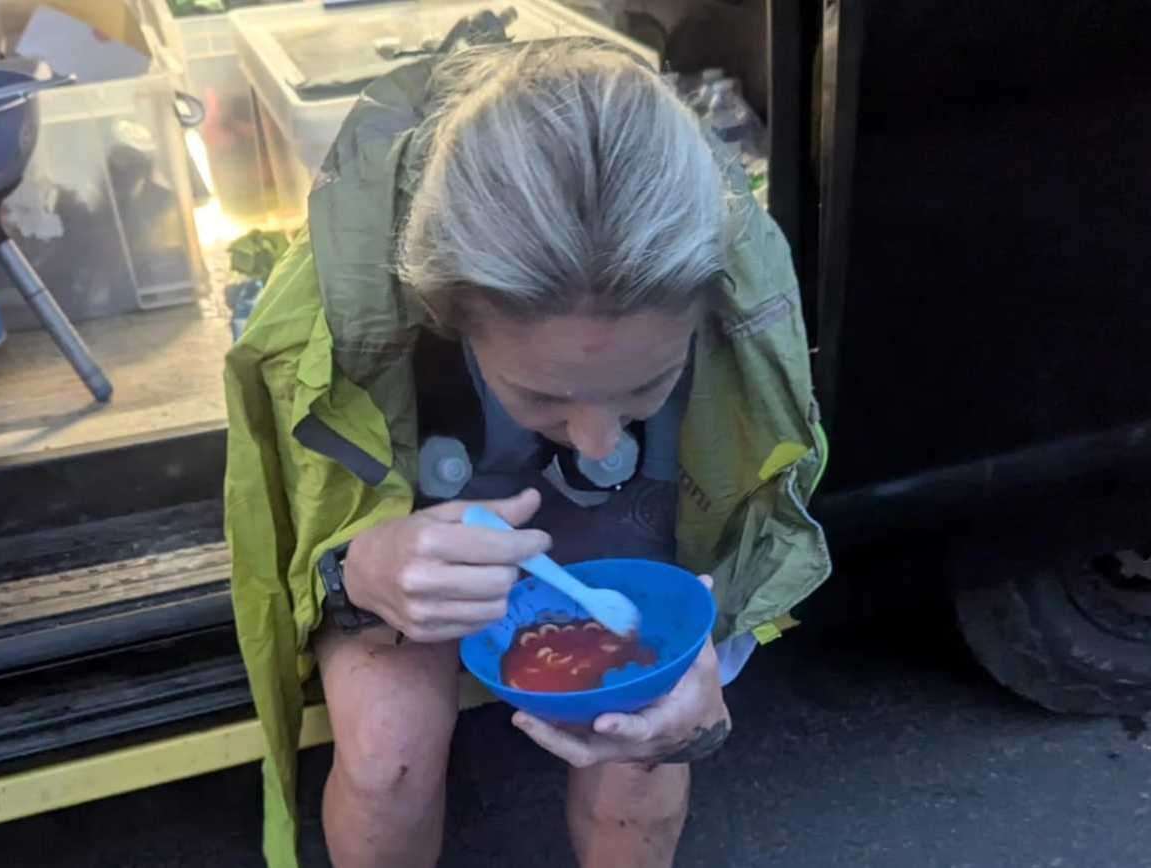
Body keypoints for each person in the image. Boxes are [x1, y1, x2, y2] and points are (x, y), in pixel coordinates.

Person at [224, 38, 830, 868]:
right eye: (544, 396)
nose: (599, 442)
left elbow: (743, 529)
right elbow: (298, 540)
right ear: (448, 313)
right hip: (409, 522)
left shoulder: (738, 314)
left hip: (632, 527)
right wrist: (356, 569)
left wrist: (703, 706)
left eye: (646, 386)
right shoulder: (340, 318)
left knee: (642, 753)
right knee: (386, 759)